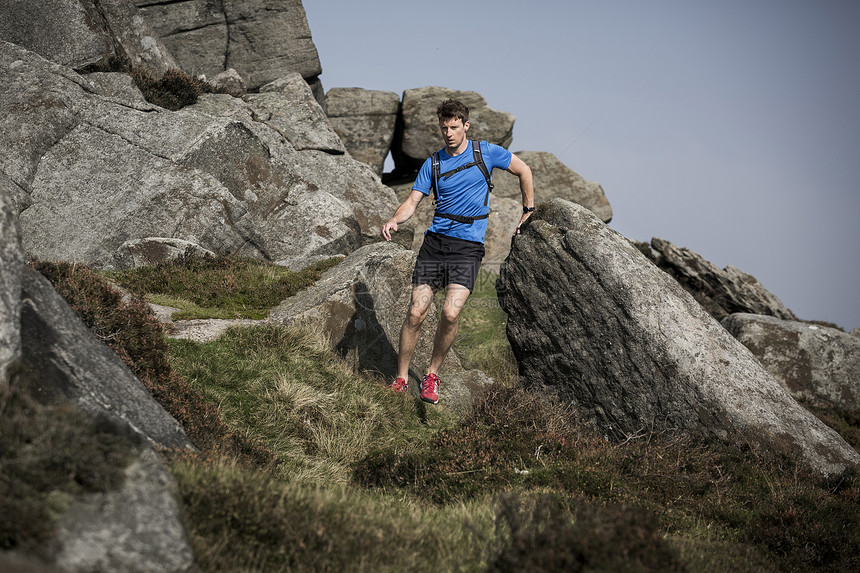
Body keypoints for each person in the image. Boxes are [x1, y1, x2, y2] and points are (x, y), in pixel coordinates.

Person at [381, 98, 534, 404]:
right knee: (416, 312)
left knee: (451, 313)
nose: (448, 133)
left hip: (468, 247)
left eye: (454, 127)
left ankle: (431, 375)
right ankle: (400, 378)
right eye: (444, 128)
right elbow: (413, 201)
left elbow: (524, 170)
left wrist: (528, 209)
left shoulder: (485, 152)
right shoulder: (434, 163)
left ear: (466, 126)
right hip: (435, 243)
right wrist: (395, 219)